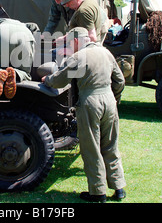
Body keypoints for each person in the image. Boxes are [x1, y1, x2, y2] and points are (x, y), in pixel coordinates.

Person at [42, 27, 126, 202]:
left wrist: (47, 80)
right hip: (109, 100)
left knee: (91, 148)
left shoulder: (78, 58)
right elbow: (120, 80)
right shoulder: (106, 53)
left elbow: (60, 80)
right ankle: (119, 188)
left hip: (90, 102)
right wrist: (114, 99)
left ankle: (98, 192)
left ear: (76, 41)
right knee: (111, 145)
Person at [0, 18, 37, 100]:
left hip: (3, 33)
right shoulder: (26, 25)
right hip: (26, 36)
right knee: (24, 72)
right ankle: (16, 74)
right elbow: (36, 30)